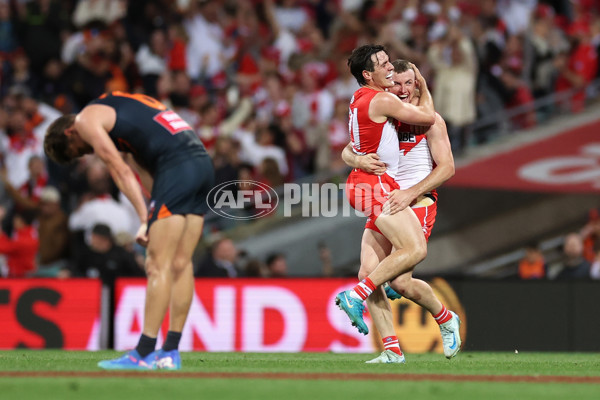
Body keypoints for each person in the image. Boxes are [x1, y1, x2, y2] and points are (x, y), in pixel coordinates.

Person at [44, 90, 214, 370]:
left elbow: (119, 170)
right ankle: (170, 353)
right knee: (181, 264)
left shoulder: (87, 119)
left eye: (80, 150)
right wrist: (155, 206)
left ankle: (143, 353)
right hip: (201, 164)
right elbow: (141, 169)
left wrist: (145, 219)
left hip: (176, 167)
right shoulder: (120, 112)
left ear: (71, 132)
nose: (89, 152)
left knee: (156, 265)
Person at [334, 46, 461, 361]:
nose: (402, 90)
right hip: (384, 195)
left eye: (409, 84)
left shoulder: (430, 122)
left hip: (415, 201)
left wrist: (410, 191)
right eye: (396, 84)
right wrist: (358, 157)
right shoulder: (388, 112)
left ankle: (445, 319)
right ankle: (391, 350)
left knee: (402, 282)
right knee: (368, 270)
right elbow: (349, 149)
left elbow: (447, 168)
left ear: (417, 85)